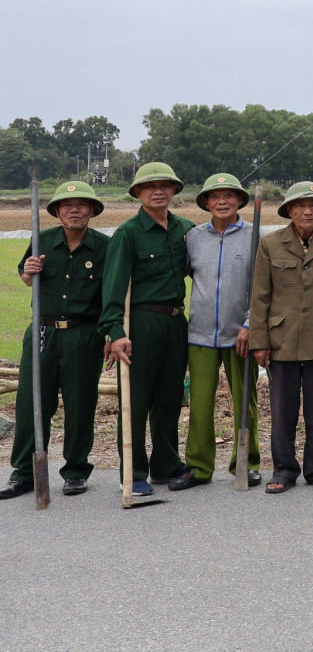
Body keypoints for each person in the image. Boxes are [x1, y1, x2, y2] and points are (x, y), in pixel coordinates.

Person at [3, 181, 109, 500]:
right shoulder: (42, 240)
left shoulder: (104, 246)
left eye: (81, 204)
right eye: (66, 205)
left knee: (79, 403)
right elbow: (25, 276)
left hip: (83, 333)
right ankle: (24, 472)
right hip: (42, 333)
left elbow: (112, 293)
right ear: (58, 211)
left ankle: (75, 470)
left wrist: (108, 334)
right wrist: (30, 270)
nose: (74, 210)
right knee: (31, 404)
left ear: (91, 210)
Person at [249, 181, 313, 493]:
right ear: (289, 211)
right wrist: (259, 340)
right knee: (283, 408)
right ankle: (284, 468)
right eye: (300, 206)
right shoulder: (271, 244)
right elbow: (260, 296)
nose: (307, 211)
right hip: (281, 338)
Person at [100, 162, 195, 496]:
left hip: (175, 322)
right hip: (140, 323)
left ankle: (166, 465)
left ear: (174, 191)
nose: (159, 191)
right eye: (150, 186)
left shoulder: (186, 228)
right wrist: (114, 332)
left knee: (170, 397)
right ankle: (134, 471)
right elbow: (112, 288)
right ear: (138, 193)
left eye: (165, 186)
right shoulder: (128, 233)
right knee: (136, 400)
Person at [176, 173, 260, 490]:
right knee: (199, 404)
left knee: (244, 402)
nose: (222, 201)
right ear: (206, 203)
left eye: (228, 195)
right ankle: (198, 467)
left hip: (242, 334)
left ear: (239, 200)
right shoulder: (194, 238)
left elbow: (264, 287)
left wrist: (251, 324)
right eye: (214, 196)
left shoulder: (254, 236)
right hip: (199, 334)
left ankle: (247, 463)